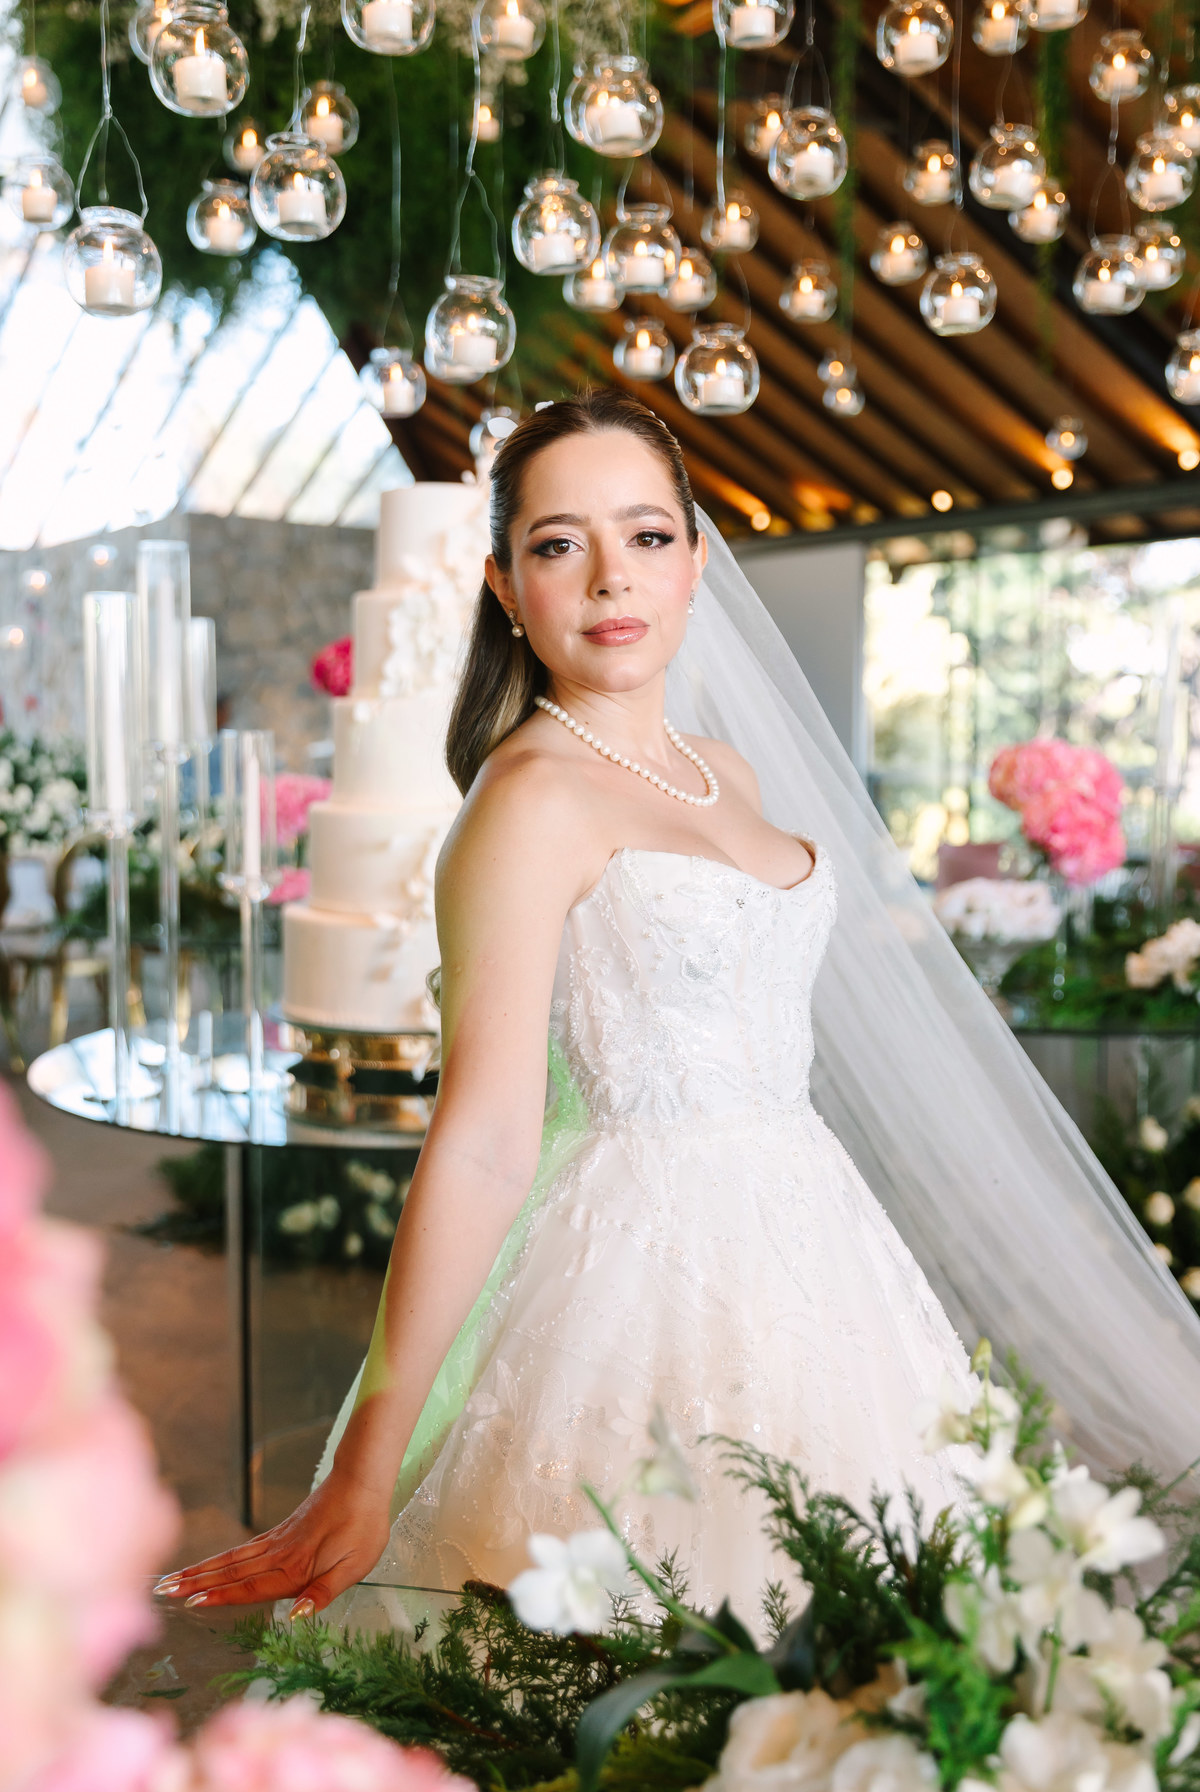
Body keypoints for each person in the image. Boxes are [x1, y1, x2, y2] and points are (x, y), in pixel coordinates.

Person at [156, 391, 1200, 1634]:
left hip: (814, 1238)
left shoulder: (733, 772)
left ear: (697, 559)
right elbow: (487, 1137)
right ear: (504, 582)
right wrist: (369, 1461)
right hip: (630, 1268)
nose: (611, 578)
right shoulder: (527, 800)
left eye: (648, 536)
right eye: (557, 544)